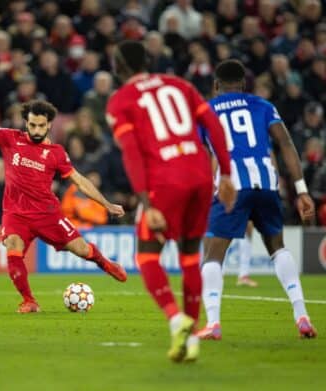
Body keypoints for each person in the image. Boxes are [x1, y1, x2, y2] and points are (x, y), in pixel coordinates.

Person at [106, 40, 236, 362]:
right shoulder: (180, 85)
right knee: (190, 257)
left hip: (166, 181)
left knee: (147, 256)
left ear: (120, 66)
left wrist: (147, 206)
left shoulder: (120, 101)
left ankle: (176, 319)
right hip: (201, 175)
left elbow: (133, 155)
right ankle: (191, 340)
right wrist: (228, 175)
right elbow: (214, 126)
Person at [0, 100, 127, 314]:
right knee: (13, 246)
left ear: (49, 126)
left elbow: (80, 181)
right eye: (33, 125)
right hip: (16, 214)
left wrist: (106, 204)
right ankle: (29, 301)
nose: (36, 130)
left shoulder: (56, 153)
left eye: (41, 126)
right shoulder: (11, 139)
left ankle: (107, 264)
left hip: (48, 214)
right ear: (26, 123)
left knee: (81, 249)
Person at [198, 59, 317, 340]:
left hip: (232, 185)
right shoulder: (263, 106)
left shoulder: (206, 111)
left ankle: (213, 323)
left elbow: (203, 156)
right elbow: (286, 144)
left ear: (216, 85)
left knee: (213, 254)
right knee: (277, 247)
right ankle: (302, 315)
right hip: (266, 181)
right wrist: (301, 190)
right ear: (244, 84)